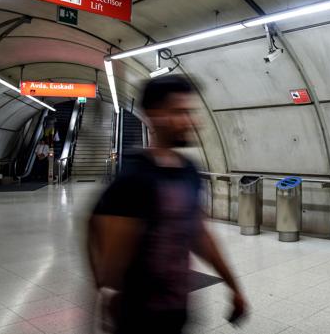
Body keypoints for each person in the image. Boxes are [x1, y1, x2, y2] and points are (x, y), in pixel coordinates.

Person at [87, 75, 246, 334]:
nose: (190, 121)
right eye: (179, 112)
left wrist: (234, 286)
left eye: (190, 112)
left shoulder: (190, 171)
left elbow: (200, 236)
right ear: (153, 115)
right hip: (138, 317)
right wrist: (108, 299)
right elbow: (109, 252)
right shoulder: (133, 178)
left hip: (179, 309)